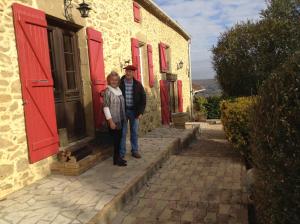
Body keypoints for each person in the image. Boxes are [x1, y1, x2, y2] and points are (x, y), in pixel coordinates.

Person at [119, 65, 146, 159]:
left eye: (130, 71)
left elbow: (143, 99)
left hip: (135, 112)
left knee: (134, 132)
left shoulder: (138, 85)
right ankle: (121, 153)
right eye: (127, 71)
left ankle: (134, 150)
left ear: (133, 73)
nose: (128, 73)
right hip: (123, 111)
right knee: (122, 132)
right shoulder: (120, 83)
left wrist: (141, 112)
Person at [103, 71, 127, 166]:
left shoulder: (118, 90)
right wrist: (110, 121)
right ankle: (116, 160)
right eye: (112, 80)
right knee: (116, 141)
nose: (114, 81)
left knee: (119, 140)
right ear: (109, 80)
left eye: (116, 80)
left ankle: (118, 158)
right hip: (114, 120)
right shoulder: (108, 91)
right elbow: (105, 107)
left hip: (121, 119)